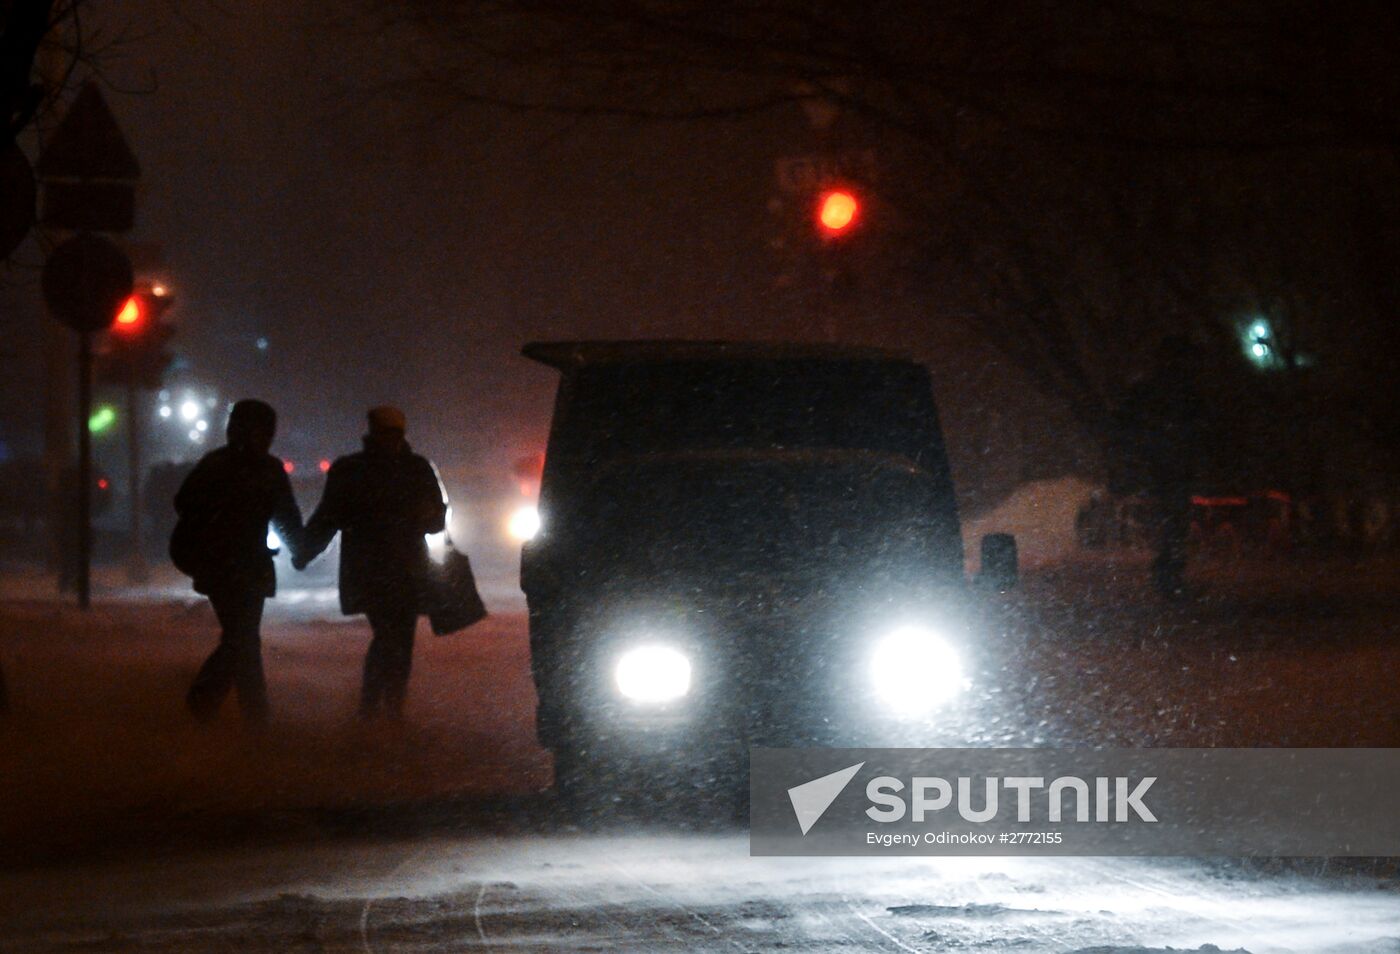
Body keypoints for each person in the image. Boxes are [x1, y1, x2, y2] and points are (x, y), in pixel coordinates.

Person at [295, 406, 447, 720]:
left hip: (373, 570)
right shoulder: (417, 469)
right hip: (401, 570)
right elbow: (437, 519)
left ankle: (378, 707)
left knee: (393, 638)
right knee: (396, 639)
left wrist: (305, 551)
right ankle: (384, 708)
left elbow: (328, 518)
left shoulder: (351, 470)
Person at [175, 399, 304, 725]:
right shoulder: (267, 469)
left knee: (242, 638)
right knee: (242, 638)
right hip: (247, 567)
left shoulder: (215, 463)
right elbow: (287, 519)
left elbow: (184, 502)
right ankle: (212, 704)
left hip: (218, 566)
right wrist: (303, 549)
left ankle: (245, 712)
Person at [1121, 336, 1205, 598]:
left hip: (1163, 469)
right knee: (1172, 527)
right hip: (1165, 469)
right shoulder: (1176, 393)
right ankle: (1168, 579)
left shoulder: (1154, 391)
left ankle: (1168, 578)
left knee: (1172, 527)